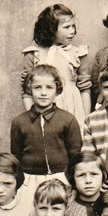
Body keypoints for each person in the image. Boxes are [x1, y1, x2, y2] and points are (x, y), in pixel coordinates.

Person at [10, 64, 82, 197]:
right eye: (37, 87)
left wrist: (70, 180)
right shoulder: (19, 122)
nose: (43, 93)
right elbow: (16, 157)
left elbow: (75, 156)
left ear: (57, 90)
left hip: (61, 178)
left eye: (49, 88)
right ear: (29, 89)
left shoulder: (68, 120)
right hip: (29, 181)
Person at [19, 4, 91, 127]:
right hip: (43, 107)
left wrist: (85, 119)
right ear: (51, 29)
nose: (72, 31)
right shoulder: (34, 54)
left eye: (73, 26)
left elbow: (85, 89)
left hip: (72, 105)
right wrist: (32, 118)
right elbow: (26, 91)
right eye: (67, 27)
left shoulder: (78, 53)